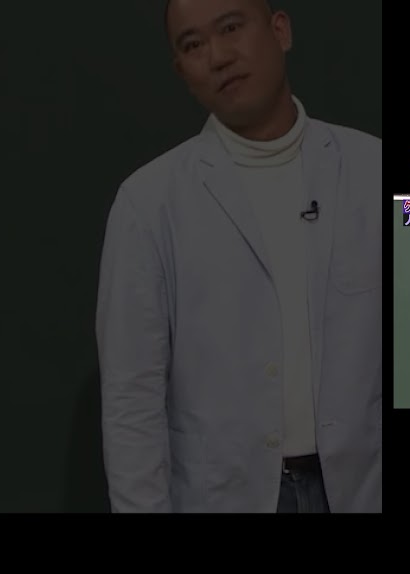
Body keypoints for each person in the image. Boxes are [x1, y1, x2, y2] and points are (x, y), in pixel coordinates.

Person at [96, 0, 382, 512]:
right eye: (193, 45)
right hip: (222, 495)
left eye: (231, 27)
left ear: (280, 31)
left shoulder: (372, 171)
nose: (218, 56)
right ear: (181, 70)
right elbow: (131, 399)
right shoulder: (149, 203)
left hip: (360, 485)